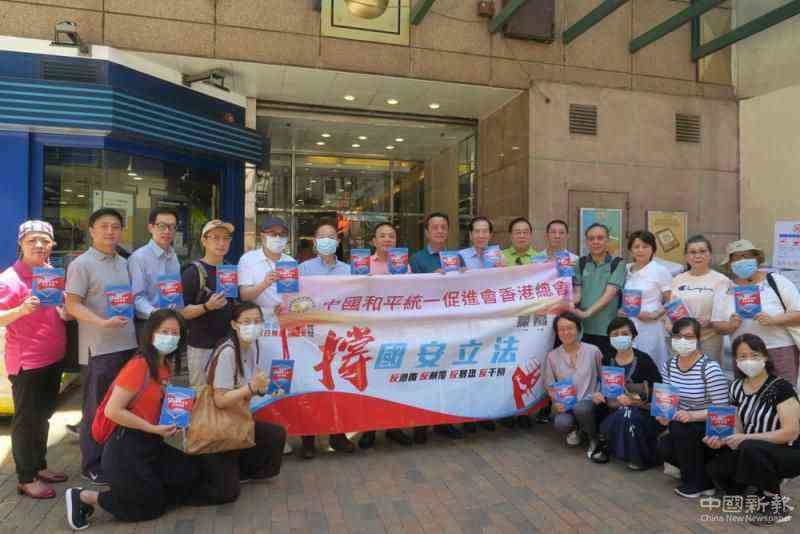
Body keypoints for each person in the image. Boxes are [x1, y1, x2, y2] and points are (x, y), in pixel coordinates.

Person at [64, 309, 217, 529]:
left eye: (175, 333)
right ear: (151, 334)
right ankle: (85, 496)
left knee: (189, 472)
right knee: (150, 508)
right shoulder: (139, 365)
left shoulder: (164, 364)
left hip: (150, 443)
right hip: (125, 448)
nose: (170, 337)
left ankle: (144, 490)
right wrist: (152, 428)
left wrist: (179, 416)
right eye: (164, 332)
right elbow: (112, 411)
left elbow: (156, 403)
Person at [65, 208, 138, 485]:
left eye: (115, 227)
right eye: (104, 226)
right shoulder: (81, 264)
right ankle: (92, 464)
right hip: (98, 349)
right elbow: (72, 305)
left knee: (121, 407)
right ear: (92, 230)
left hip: (127, 346)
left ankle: (115, 459)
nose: (110, 231)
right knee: (95, 409)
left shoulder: (125, 262)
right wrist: (101, 322)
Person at [0, 221, 68, 499]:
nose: (39, 245)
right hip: (27, 362)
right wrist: (20, 309)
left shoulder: (50, 274)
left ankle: (39, 465)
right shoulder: (9, 279)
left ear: (51, 244)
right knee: (27, 421)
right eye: (32, 240)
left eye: (44, 240)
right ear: (21, 244)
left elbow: (58, 309)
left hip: (53, 357)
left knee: (44, 416)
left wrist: (65, 310)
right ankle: (26, 478)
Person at [704, 334, 800, 526]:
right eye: (742, 356)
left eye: (754, 355)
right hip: (753, 449)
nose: (749, 361)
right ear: (736, 360)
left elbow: (791, 432)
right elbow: (738, 427)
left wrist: (746, 438)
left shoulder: (781, 388)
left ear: (765, 356)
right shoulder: (736, 387)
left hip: (788, 451)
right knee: (717, 468)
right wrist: (724, 440)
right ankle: (753, 484)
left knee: (750, 447)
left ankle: (774, 503)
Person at [298, 222, 357, 458]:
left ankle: (337, 435)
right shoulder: (303, 269)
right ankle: (308, 439)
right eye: (322, 236)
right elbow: (295, 299)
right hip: (311, 336)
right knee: (310, 384)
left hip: (339, 335)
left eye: (331, 237)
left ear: (338, 242)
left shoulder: (349, 270)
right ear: (315, 242)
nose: (326, 241)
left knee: (338, 384)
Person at [210, 302, 287, 483]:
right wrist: (252, 388)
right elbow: (220, 400)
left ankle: (245, 472)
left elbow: (247, 386)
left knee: (275, 434)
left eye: (257, 321)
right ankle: (228, 466)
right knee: (227, 491)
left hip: (239, 416)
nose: (252, 326)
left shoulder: (251, 346)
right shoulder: (228, 352)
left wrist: (264, 389)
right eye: (246, 321)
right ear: (234, 324)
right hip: (219, 423)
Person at [356, 222, 415, 448]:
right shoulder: (363, 264)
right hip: (370, 331)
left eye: (391, 236)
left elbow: (411, 293)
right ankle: (368, 429)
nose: (387, 239)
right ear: (374, 241)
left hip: (395, 330)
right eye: (382, 236)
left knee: (394, 379)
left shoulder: (404, 265)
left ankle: (393, 427)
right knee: (371, 380)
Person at [656, 317, 729, 499]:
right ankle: (704, 480)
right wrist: (663, 414)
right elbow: (667, 399)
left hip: (707, 425)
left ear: (698, 338)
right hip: (683, 422)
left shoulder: (710, 368)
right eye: (678, 336)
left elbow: (722, 409)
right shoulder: (669, 366)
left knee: (681, 429)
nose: (683, 341)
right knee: (664, 445)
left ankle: (693, 483)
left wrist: (692, 415)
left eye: (689, 337)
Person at [712, 240, 800, 386]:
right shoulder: (724, 288)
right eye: (736, 257)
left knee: (784, 393)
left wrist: (774, 320)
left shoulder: (776, 281)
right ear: (730, 263)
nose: (742, 260)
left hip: (778, 350)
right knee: (748, 395)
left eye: (747, 256)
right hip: (743, 354)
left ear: (757, 258)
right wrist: (730, 326)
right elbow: (716, 325)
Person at [408, 213, 463, 441]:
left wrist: (463, 275)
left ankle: (444, 422)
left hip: (450, 325)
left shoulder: (457, 258)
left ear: (448, 231)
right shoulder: (416, 259)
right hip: (426, 326)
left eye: (443, 227)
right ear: (427, 232)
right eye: (435, 227)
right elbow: (411, 290)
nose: (440, 231)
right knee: (424, 374)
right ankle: (421, 425)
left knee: (447, 373)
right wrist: (432, 278)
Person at [593, 317, 663, 469]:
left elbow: (658, 387)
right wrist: (599, 393)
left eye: (624, 333)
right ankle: (616, 447)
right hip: (613, 406)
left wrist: (638, 397)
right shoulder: (608, 359)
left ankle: (610, 446)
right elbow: (603, 384)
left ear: (633, 336)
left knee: (627, 413)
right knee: (606, 410)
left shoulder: (644, 360)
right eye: (615, 334)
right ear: (609, 338)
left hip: (640, 409)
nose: (620, 337)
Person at [181, 220, 237, 387]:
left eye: (226, 238)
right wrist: (207, 307)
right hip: (201, 347)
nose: (221, 243)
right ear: (204, 241)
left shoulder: (230, 269)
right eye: (215, 238)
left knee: (225, 392)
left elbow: (233, 305)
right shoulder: (192, 272)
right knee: (201, 394)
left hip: (227, 345)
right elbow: (181, 311)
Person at [543, 312, 604, 457]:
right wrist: (556, 402)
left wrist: (600, 393)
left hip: (590, 400)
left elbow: (604, 376)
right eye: (561, 329)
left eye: (570, 328)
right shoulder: (552, 356)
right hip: (567, 404)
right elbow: (550, 385)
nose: (566, 332)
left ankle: (594, 439)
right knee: (561, 423)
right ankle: (579, 429)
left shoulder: (593, 350)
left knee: (581, 409)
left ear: (578, 329)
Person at [669, 235, 731, 366]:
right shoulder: (677, 279)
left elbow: (726, 311)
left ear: (710, 254)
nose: (697, 256)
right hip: (683, 340)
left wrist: (711, 321)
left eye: (702, 251)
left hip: (710, 338)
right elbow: (671, 307)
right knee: (683, 374)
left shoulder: (722, 280)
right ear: (686, 256)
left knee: (708, 374)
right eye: (692, 252)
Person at [572, 223, 626, 359]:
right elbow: (577, 292)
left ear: (607, 240)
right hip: (582, 329)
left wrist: (587, 313)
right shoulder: (580, 263)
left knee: (606, 368)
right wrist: (568, 304)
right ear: (586, 242)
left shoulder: (617, 263)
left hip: (608, 330)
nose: (595, 242)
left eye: (600, 238)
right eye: (591, 238)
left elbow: (610, 294)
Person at [128, 208, 181, 340]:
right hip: (148, 323)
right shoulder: (139, 258)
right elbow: (136, 297)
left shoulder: (173, 256)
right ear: (150, 227)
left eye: (172, 227)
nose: (167, 231)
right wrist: (156, 314)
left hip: (172, 322)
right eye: (162, 226)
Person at [622, 231, 672, 371]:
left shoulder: (660, 270)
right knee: (631, 363)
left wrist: (655, 315)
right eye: (636, 247)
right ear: (631, 250)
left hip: (651, 325)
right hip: (629, 324)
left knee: (651, 363)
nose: (640, 250)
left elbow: (671, 300)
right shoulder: (626, 270)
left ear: (653, 249)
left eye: (645, 246)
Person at [238, 217, 294, 320]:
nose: (278, 238)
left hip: (285, 318)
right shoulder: (248, 259)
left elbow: (294, 294)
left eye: (282, 234)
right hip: (258, 320)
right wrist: (265, 284)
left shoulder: (290, 261)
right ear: (263, 236)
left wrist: (286, 305)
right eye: (273, 233)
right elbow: (244, 296)